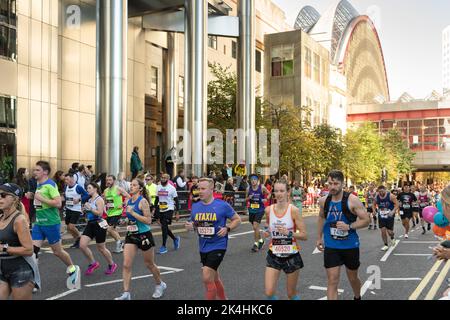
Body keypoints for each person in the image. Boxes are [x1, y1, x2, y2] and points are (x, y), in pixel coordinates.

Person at [316, 170, 370, 300]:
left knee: (353, 278)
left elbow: (366, 220)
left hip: (350, 245)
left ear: (342, 184)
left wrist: (349, 226)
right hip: (331, 246)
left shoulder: (352, 200)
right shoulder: (324, 201)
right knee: (332, 280)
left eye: (336, 183)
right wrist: (319, 237)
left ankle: (357, 296)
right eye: (330, 183)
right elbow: (321, 217)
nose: (332, 187)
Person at [185, 177, 241, 300]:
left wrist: (228, 228)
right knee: (214, 278)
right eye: (198, 188)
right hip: (203, 246)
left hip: (218, 245)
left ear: (211, 190)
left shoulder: (222, 205)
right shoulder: (196, 206)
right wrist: (190, 226)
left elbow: (237, 219)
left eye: (203, 188)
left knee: (206, 277)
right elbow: (193, 223)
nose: (200, 191)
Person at [31, 161, 81, 290]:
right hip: (39, 223)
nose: (34, 171)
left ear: (45, 172)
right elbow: (39, 200)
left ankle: (72, 268)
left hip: (51, 223)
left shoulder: (50, 185)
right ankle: (35, 282)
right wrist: (33, 197)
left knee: (57, 252)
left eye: (37, 170)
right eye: (34, 170)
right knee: (33, 252)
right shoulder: (39, 184)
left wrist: (41, 198)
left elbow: (58, 203)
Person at [115, 179, 166, 300]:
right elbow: (130, 219)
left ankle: (160, 284)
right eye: (130, 185)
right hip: (131, 234)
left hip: (144, 235)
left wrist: (133, 213)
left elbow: (148, 220)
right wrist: (124, 222)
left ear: (140, 188)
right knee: (126, 264)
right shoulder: (128, 201)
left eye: (134, 185)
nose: (131, 187)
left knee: (149, 264)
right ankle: (126, 293)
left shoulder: (142, 201)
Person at [263, 179, 307, 300]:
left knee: (291, 294)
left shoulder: (294, 210)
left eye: (282, 190)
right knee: (269, 292)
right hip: (274, 254)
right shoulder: (268, 210)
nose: (279, 194)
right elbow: (268, 226)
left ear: (288, 192)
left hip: (291, 256)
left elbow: (304, 235)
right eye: (276, 191)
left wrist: (289, 233)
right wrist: (267, 232)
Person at [0, 183, 40, 300]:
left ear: (15, 199)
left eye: (3, 195)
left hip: (20, 271)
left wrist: (4, 248)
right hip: (2, 268)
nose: (0, 198)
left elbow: (28, 250)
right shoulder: (1, 216)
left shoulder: (19, 220)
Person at [80, 182, 118, 276]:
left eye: (89, 188)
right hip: (90, 224)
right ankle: (93, 263)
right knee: (82, 245)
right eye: (87, 188)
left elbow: (100, 213)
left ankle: (112, 264)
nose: (87, 190)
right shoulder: (89, 200)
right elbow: (88, 212)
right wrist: (84, 210)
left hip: (100, 224)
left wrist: (90, 209)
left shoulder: (99, 199)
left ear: (95, 189)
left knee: (101, 248)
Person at [154, 173, 181, 254]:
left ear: (168, 179)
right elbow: (157, 199)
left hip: (169, 209)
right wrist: (155, 209)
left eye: (165, 178)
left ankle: (163, 246)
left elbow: (176, 200)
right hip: (160, 208)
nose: (162, 179)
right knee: (164, 227)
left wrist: (177, 213)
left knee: (164, 226)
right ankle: (175, 239)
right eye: (162, 177)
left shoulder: (172, 188)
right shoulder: (158, 187)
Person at [103, 175, 130, 253]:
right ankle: (120, 244)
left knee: (109, 229)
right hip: (109, 213)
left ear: (114, 181)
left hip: (117, 212)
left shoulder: (118, 189)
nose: (108, 181)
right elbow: (105, 201)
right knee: (112, 230)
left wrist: (123, 204)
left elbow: (128, 197)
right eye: (107, 180)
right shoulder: (105, 191)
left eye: (110, 180)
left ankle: (119, 243)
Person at [63, 172, 89, 249]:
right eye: (65, 179)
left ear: (71, 179)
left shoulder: (78, 187)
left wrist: (79, 199)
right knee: (68, 228)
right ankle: (77, 241)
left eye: (67, 179)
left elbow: (87, 195)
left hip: (76, 209)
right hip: (68, 208)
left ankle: (80, 238)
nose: (65, 181)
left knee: (71, 227)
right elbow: (65, 197)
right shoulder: (66, 187)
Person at [247, 174, 270, 252]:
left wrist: (266, 199)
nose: (253, 181)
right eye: (252, 180)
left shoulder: (262, 187)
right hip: (251, 209)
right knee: (255, 226)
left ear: (257, 181)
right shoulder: (248, 188)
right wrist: (248, 198)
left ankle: (256, 244)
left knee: (255, 226)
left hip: (260, 209)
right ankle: (261, 240)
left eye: (255, 180)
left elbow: (269, 193)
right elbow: (245, 199)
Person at [374, 186, 398, 251]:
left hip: (389, 215)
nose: (381, 193)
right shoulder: (377, 197)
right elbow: (374, 205)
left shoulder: (391, 196)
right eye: (379, 192)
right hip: (381, 216)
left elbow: (397, 204)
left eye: (382, 191)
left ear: (385, 190)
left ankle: (392, 237)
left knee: (390, 232)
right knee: (383, 230)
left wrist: (393, 211)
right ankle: (385, 245)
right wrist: (374, 211)